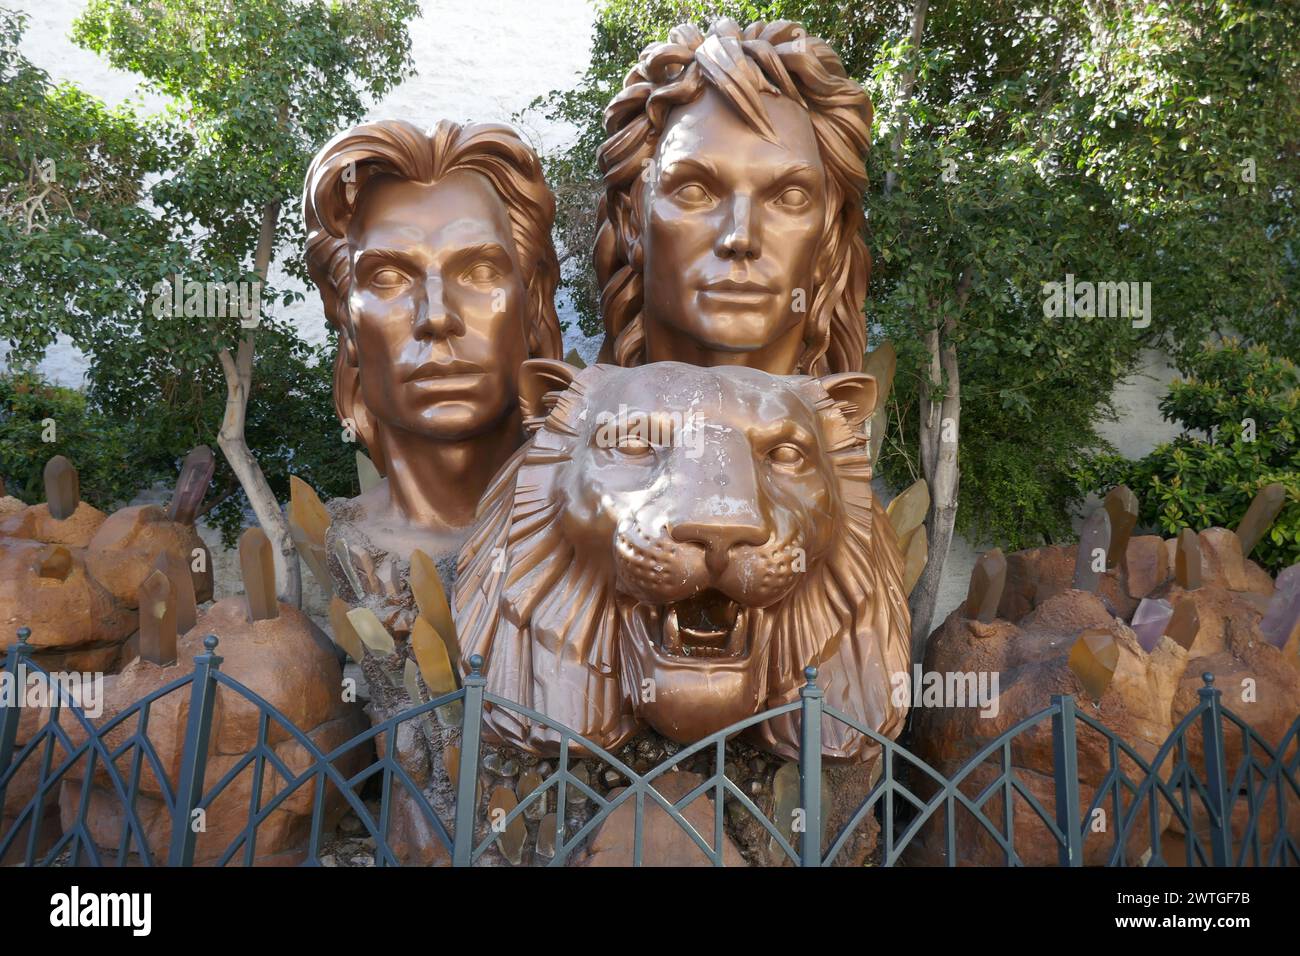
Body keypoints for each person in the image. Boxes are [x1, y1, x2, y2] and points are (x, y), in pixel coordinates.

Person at [303, 119, 562, 560]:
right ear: (346, 320)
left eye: (480, 272)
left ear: (533, 301)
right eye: (388, 277)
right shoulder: (354, 546)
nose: (438, 317)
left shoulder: (604, 534)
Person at [595, 18, 873, 376]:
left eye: (789, 198)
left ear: (829, 236)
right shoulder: (572, 425)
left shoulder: (848, 416)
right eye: (694, 192)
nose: (740, 237)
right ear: (631, 221)